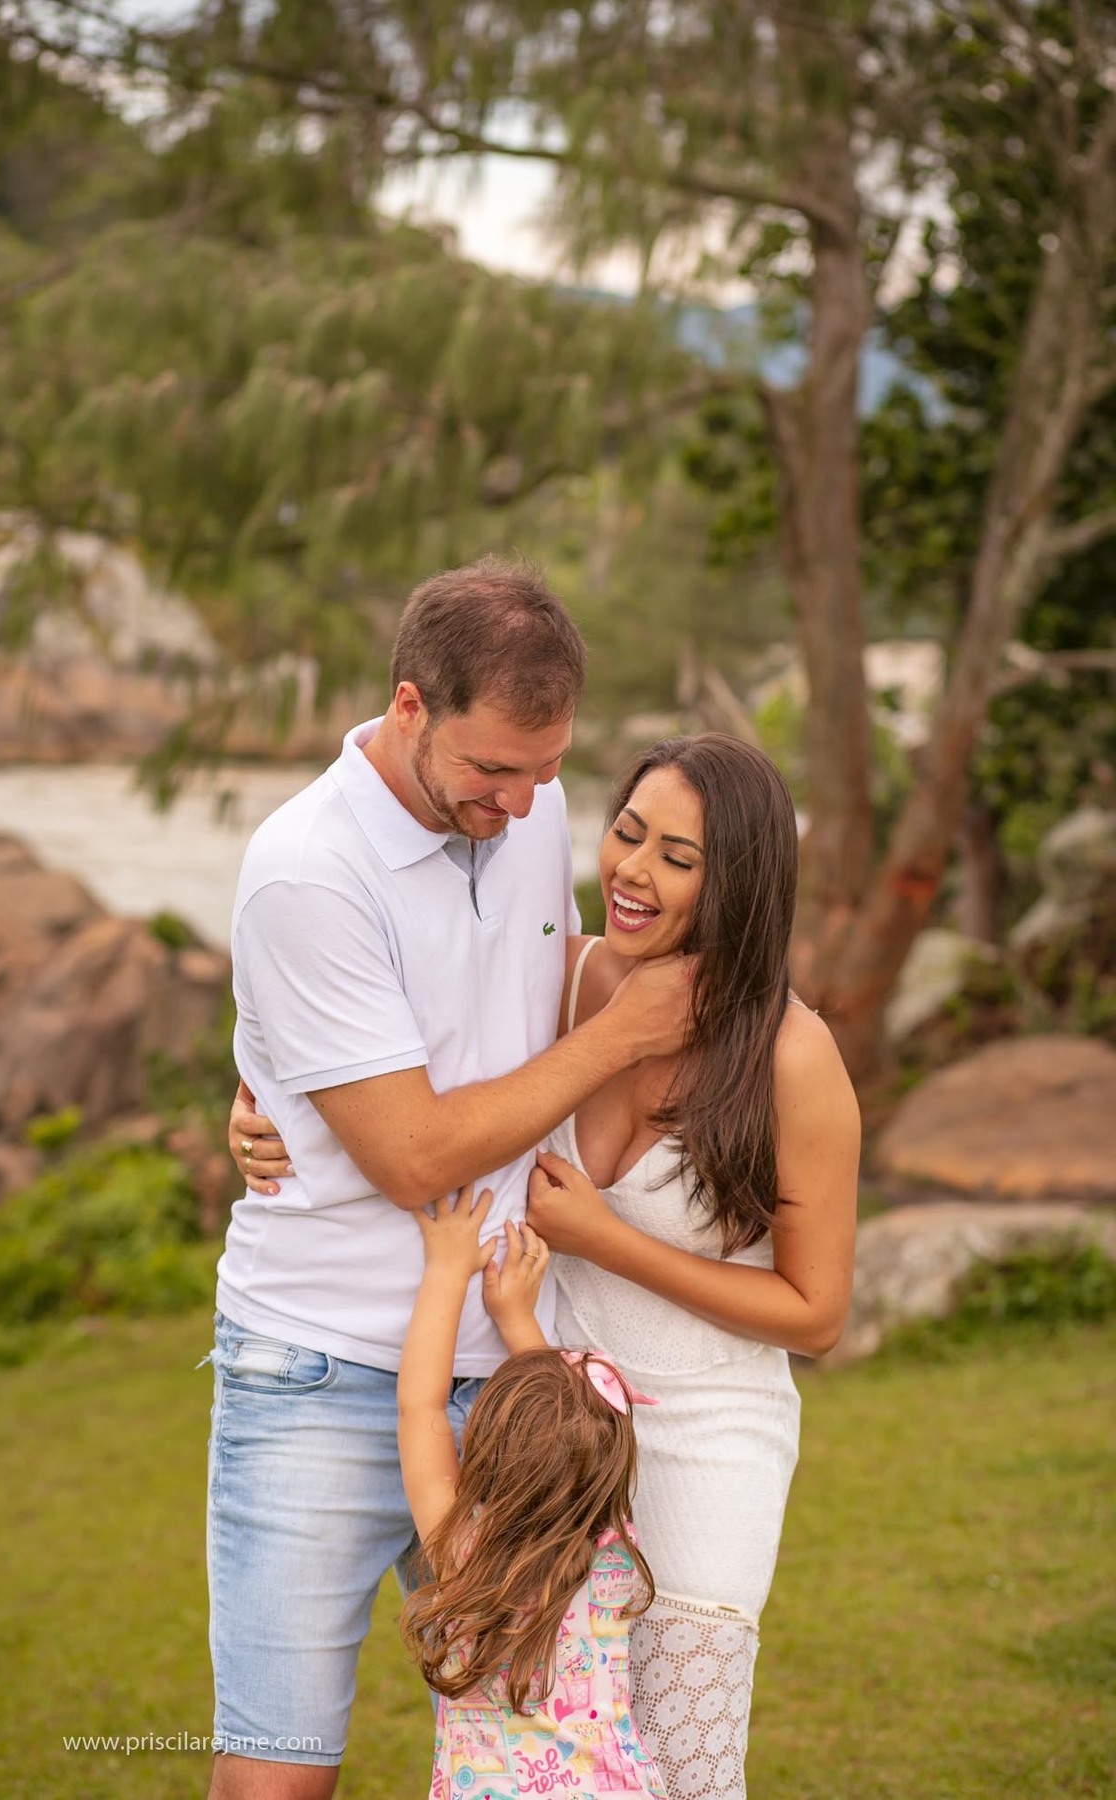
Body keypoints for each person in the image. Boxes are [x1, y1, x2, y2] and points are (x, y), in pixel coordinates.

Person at [237, 730, 861, 1800]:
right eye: (626, 834)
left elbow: (816, 1313)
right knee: (553, 1759)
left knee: (691, 1776)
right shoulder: (565, 980)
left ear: (741, 880)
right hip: (550, 1447)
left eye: (678, 856)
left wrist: (609, 1241)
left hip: (705, 1446)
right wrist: (260, 1109)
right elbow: (373, 1042)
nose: (631, 872)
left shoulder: (791, 1057)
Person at [208, 556, 692, 1800]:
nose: (527, 806)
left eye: (546, 769)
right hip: (317, 1364)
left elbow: (528, 989)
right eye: (495, 771)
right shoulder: (308, 867)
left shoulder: (527, 801)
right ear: (409, 706)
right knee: (281, 1773)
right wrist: (626, 1035)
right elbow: (413, 1151)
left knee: (543, 1748)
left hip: (514, 1385)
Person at [396, 1183, 667, 1798]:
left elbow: (421, 1410)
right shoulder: (615, 1554)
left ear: (487, 1447)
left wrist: (446, 1269)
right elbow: (572, 1436)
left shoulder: (467, 1555)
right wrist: (520, 1318)